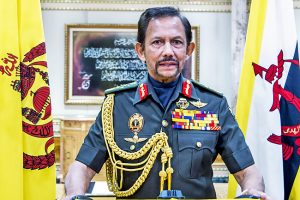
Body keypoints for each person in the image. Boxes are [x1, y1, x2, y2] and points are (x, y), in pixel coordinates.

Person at [64, 6, 270, 200]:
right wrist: (75, 194)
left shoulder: (213, 104)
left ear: (189, 49)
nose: (168, 51)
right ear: (140, 51)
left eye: (177, 42)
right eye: (157, 42)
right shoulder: (116, 106)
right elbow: (82, 167)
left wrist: (252, 191)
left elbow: (247, 171)